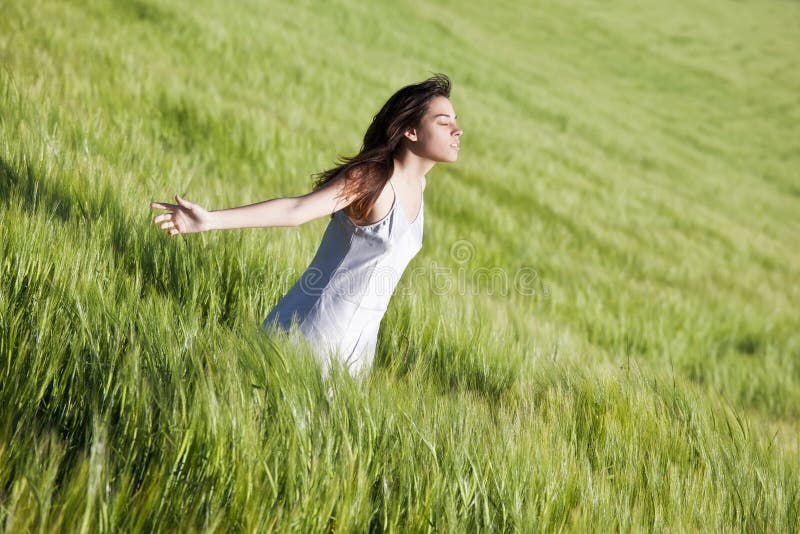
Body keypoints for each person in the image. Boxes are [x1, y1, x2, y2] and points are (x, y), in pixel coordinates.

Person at [150, 73, 463, 378]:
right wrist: (210, 220)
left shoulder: (418, 186)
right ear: (410, 131)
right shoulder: (372, 179)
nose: (457, 130)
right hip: (316, 329)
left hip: (360, 343)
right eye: (443, 121)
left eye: (455, 119)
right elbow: (296, 210)